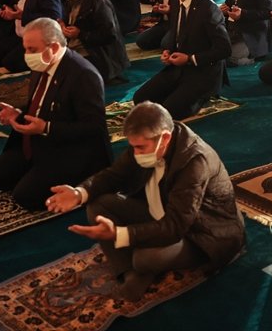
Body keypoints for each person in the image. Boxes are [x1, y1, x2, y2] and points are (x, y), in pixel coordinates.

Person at [47, 102, 246, 301]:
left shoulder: (194, 162)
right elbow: (113, 175)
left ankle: (141, 268)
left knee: (145, 258)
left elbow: (175, 226)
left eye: (140, 147)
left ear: (165, 138)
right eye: (132, 146)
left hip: (202, 233)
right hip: (161, 209)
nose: (136, 153)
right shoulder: (149, 143)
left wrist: (119, 233)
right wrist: (79, 193)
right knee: (97, 205)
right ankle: (129, 273)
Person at [0, 18, 112, 210]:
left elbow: (95, 128)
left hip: (70, 150)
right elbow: (40, 107)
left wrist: (46, 128)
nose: (27, 55)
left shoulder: (83, 75)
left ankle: (80, 181)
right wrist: (17, 114)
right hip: (38, 142)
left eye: (32, 50)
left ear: (53, 47)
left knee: (25, 197)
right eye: (26, 48)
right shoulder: (42, 64)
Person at [134, 0, 230, 119]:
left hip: (203, 70)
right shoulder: (175, 2)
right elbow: (177, 33)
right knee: (140, 99)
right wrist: (168, 51)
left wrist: (190, 59)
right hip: (178, 67)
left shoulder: (208, 8)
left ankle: (204, 96)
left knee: (170, 111)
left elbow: (224, 49)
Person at [59, 0, 130, 84]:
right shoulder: (72, 0)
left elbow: (109, 35)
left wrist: (80, 34)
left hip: (97, 55)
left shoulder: (99, 2)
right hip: (77, 48)